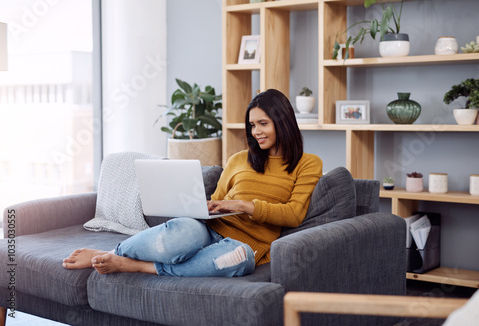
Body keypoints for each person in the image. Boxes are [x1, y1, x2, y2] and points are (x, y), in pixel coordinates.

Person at [62, 89, 323, 277]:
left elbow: (293, 214)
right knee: (182, 230)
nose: (256, 132)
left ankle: (136, 266)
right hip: (209, 230)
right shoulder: (239, 159)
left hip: (245, 246)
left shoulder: (307, 163)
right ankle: (111, 253)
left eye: (263, 124)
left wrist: (244, 205)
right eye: (252, 125)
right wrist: (207, 206)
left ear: (283, 121)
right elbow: (218, 200)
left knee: (239, 260)